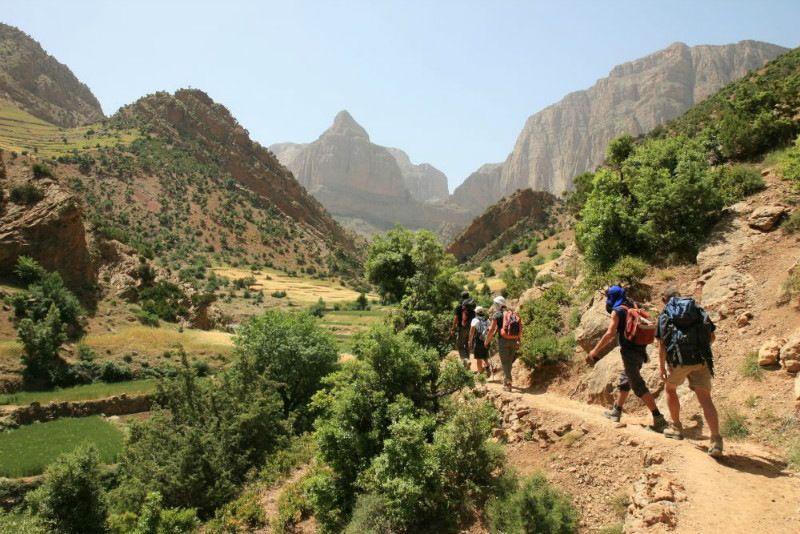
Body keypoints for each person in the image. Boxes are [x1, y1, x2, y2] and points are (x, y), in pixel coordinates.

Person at [586, 285, 667, 432]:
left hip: (629, 352)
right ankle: (616, 411)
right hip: (641, 349)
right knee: (626, 379)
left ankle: (658, 419)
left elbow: (610, 334)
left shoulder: (617, 311)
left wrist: (594, 351)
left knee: (637, 385)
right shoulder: (633, 305)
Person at [656, 287, 723, 457]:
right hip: (700, 360)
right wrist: (699, 349)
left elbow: (662, 345)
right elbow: (712, 336)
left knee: (670, 389)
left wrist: (662, 367)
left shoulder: (666, 315)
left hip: (679, 362)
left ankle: (676, 427)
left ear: (665, 299)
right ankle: (716, 440)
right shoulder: (697, 311)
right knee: (705, 398)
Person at [484, 296, 522, 392]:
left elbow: (492, 330)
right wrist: (518, 340)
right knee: (508, 361)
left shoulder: (497, 315)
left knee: (505, 362)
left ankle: (508, 382)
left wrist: (487, 341)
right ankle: (506, 379)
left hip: (503, 340)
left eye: (495, 304)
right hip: (514, 340)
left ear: (498, 304)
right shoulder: (512, 313)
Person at [450, 290, 475, 369]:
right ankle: (467, 366)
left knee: (460, 346)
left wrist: (453, 329)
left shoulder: (459, 306)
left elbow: (456, 318)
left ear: (461, 297)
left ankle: (466, 360)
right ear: (468, 296)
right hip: (471, 328)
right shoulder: (473, 304)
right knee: (467, 345)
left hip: (462, 328)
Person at [469, 306, 492, 375]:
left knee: (479, 358)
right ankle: (487, 366)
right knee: (485, 355)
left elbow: (471, 332)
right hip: (486, 340)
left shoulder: (475, 320)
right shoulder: (487, 320)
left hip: (478, 340)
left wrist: (470, 342)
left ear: (476, 312)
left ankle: (480, 373)